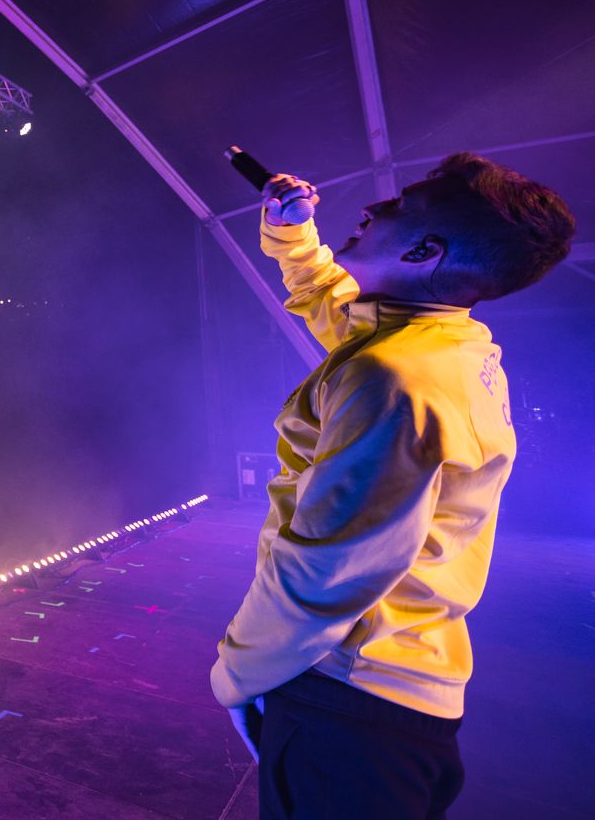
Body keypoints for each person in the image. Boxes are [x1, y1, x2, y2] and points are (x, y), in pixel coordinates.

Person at [211, 155, 576, 819]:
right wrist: (293, 231)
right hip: (397, 691)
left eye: (400, 206)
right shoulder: (442, 344)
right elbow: (334, 305)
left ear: (422, 251)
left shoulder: (392, 379)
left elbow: (325, 569)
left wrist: (237, 672)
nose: (372, 207)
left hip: (344, 696)